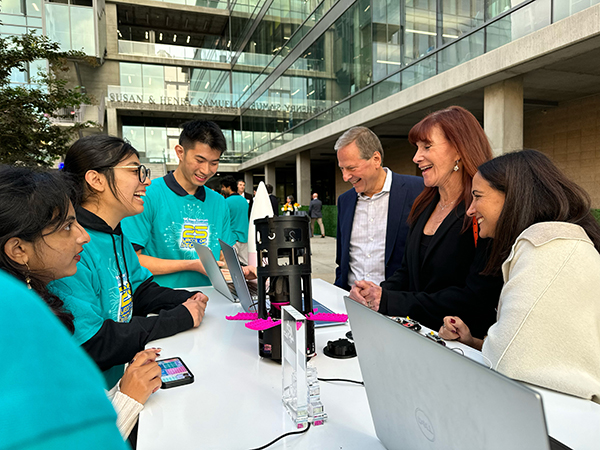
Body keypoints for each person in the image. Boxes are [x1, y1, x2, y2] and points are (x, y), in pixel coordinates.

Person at [0, 166, 163, 439]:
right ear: (18, 250)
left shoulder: (29, 305)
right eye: (66, 227)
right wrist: (128, 398)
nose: (83, 236)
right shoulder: (17, 335)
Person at [438, 150, 600, 403]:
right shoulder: (554, 243)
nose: (470, 210)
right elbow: (541, 356)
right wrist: (474, 343)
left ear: (512, 197)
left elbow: (508, 360)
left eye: (477, 197)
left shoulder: (547, 247)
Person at [50, 135, 207, 389]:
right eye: (135, 171)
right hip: (91, 400)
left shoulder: (115, 232)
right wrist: (179, 318)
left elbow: (140, 290)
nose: (146, 181)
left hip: (119, 384)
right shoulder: (71, 245)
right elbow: (93, 342)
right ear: (96, 179)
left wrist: (188, 299)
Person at [348, 107, 503, 338]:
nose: (416, 157)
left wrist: (392, 300)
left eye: (427, 147)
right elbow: (406, 271)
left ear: (459, 149)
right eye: (417, 148)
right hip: (417, 338)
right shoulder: (424, 204)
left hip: (461, 349)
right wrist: (376, 292)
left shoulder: (482, 212)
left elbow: (475, 297)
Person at [122, 120, 234, 288]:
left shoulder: (219, 202)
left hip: (212, 298)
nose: (206, 170)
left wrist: (240, 271)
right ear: (180, 152)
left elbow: (224, 257)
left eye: (214, 163)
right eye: (200, 160)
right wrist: (191, 265)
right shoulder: (148, 195)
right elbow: (131, 259)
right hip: (161, 301)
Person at [335, 126, 424, 291]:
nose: (345, 177)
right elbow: (342, 261)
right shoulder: (344, 201)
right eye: (342, 168)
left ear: (376, 159)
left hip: (398, 307)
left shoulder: (419, 191)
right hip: (350, 303)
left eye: (351, 168)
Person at [221, 175, 249, 265]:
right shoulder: (244, 201)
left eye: (223, 187)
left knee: (230, 266)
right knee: (245, 266)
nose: (222, 189)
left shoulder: (226, 202)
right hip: (245, 237)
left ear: (228, 187)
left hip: (232, 237)